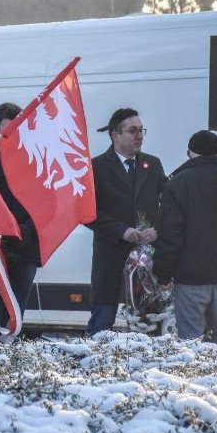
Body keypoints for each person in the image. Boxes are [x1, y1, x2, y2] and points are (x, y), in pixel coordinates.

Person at [154, 130, 217, 345]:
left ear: (190, 153)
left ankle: (194, 378)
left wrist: (162, 274)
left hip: (191, 276)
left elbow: (171, 234)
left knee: (191, 340)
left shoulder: (178, 183)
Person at [84, 108, 167, 335]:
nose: (139, 136)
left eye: (141, 130)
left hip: (147, 258)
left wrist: (157, 230)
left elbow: (170, 204)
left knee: (150, 322)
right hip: (111, 255)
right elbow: (87, 212)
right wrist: (122, 231)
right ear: (115, 135)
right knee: (102, 322)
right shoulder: (96, 167)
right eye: (133, 131)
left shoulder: (153, 164)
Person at [0, 102, 41, 338]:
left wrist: (26, 230)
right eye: (9, 132)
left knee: (15, 317)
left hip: (25, 248)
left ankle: (11, 362)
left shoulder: (35, 157)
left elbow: (46, 202)